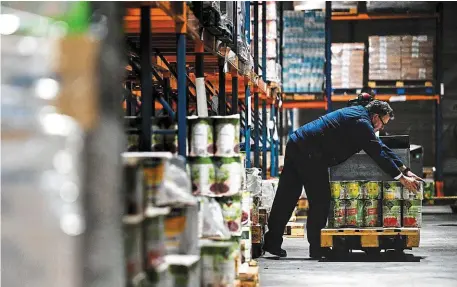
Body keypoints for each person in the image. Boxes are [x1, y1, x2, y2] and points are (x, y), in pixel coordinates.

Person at [263, 100, 423, 259]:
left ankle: (272, 241)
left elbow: (381, 147)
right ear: (375, 117)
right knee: (320, 199)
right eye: (383, 123)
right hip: (309, 152)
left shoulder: (360, 116)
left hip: (298, 143)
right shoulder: (361, 123)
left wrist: (405, 170)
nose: (382, 127)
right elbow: (378, 154)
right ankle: (317, 248)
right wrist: (401, 178)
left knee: (287, 194)